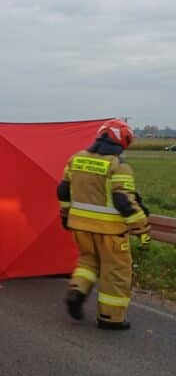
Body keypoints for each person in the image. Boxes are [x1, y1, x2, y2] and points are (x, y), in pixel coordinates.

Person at [57, 118, 150, 330]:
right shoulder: (119, 166)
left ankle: (77, 290)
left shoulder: (76, 159)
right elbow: (123, 201)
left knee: (88, 262)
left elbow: (63, 191)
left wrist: (65, 216)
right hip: (111, 232)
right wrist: (142, 228)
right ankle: (111, 317)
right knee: (116, 272)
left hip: (80, 227)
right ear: (123, 141)